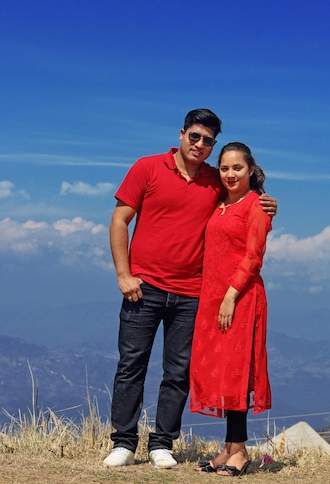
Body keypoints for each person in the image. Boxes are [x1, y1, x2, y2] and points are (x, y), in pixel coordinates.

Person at [103, 109, 277, 470]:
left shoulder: (216, 180)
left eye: (208, 140)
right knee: (131, 364)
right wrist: (123, 274)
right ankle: (123, 442)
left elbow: (243, 198)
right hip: (144, 286)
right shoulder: (147, 168)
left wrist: (267, 202)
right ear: (182, 134)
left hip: (192, 293)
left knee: (178, 370)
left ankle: (162, 443)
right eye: (194, 136)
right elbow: (120, 219)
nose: (200, 144)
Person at [190, 142, 272, 476]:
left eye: (237, 167)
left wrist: (229, 297)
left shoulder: (257, 205)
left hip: (239, 298)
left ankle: (240, 451)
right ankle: (228, 448)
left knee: (237, 373)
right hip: (214, 299)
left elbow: (254, 256)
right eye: (224, 168)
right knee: (224, 371)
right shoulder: (221, 203)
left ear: (251, 169)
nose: (229, 174)